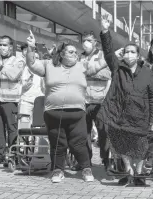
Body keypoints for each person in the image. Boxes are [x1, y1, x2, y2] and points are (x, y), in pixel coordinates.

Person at [26, 30, 107, 183]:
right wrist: (31, 47)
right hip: (53, 113)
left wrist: (112, 51)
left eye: (76, 52)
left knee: (79, 143)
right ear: (62, 54)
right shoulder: (49, 65)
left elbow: (100, 64)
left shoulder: (83, 66)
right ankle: (57, 171)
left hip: (77, 113)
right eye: (71, 52)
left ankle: (86, 169)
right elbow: (31, 64)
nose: (75, 54)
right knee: (58, 143)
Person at [97, 14, 153, 186]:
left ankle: (138, 173)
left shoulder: (146, 72)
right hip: (120, 116)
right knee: (120, 144)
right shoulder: (118, 68)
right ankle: (128, 170)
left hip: (141, 116)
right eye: (126, 52)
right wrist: (105, 30)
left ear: (138, 56)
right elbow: (108, 52)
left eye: (132, 52)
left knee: (140, 147)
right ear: (123, 55)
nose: (129, 55)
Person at [71, 31, 111, 171]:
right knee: (83, 134)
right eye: (84, 40)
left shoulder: (103, 56)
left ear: (95, 43)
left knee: (103, 132)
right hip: (82, 101)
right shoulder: (79, 57)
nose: (85, 43)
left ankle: (106, 160)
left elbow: (108, 74)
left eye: (88, 40)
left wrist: (90, 71)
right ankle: (84, 161)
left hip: (100, 102)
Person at [0, 35, 26, 166]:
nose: (2, 47)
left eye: (4, 45)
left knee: (11, 128)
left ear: (11, 47)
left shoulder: (18, 60)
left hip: (9, 100)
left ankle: (13, 155)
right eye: (0, 45)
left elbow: (14, 75)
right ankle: (0, 154)